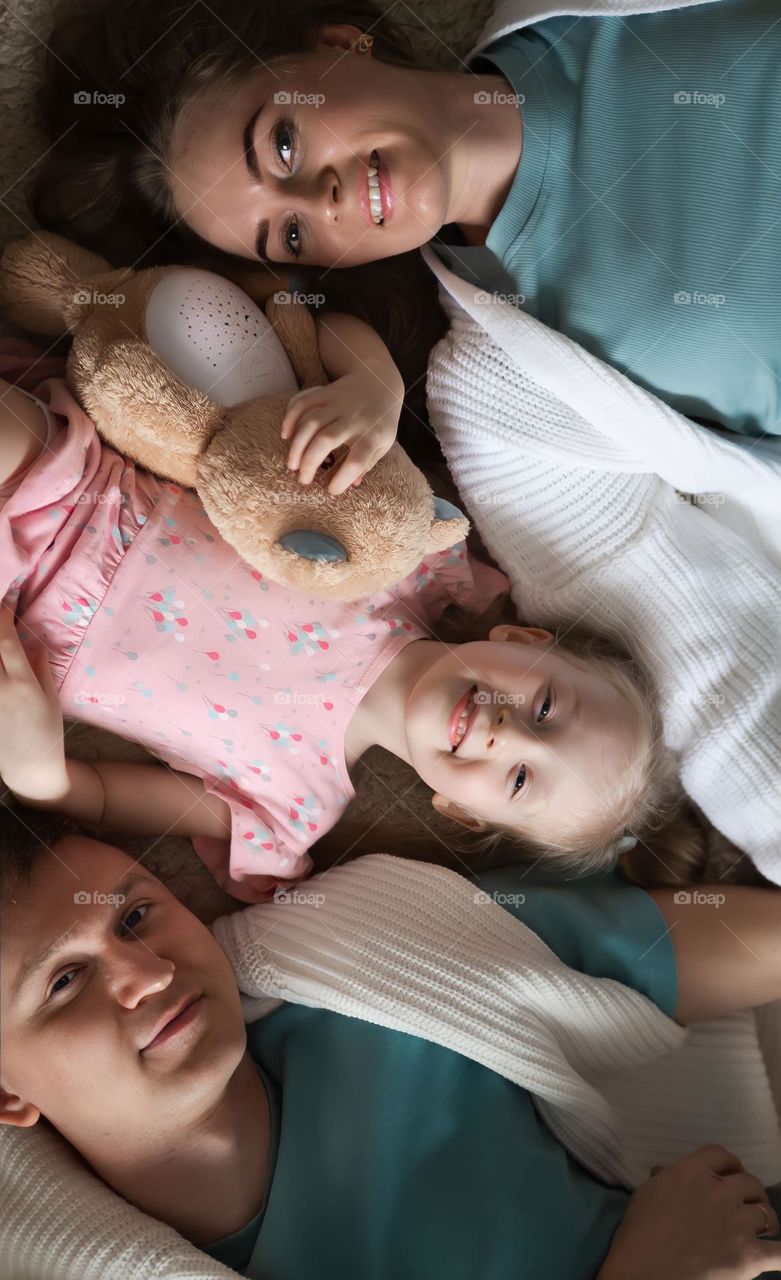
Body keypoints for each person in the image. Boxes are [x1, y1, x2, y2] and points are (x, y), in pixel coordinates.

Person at [0, 345, 671, 902]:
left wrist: (39, 774)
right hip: (68, 485)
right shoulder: (415, 557)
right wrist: (375, 392)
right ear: (522, 640)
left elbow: (113, 800)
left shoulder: (290, 807)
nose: (508, 733)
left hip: (20, 644)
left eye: (520, 781)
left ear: (462, 813)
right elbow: (317, 337)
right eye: (547, 705)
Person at [2, 799, 781, 1279]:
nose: (147, 972)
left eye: (136, 916)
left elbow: (694, 947)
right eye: (64, 982)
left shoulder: (369, 955)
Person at [29, 0, 781, 440]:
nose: (318, 200)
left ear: (338, 41)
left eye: (283, 143)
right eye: (290, 236)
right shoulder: (515, 360)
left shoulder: (606, 24)